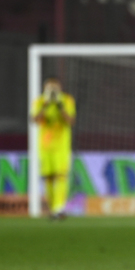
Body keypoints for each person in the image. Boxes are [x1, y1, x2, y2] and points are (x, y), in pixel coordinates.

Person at [31, 77, 76, 220]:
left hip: (62, 146)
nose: (52, 90)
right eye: (49, 87)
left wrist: (59, 106)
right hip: (45, 146)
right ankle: (53, 209)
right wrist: (45, 105)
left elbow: (70, 121)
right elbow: (36, 120)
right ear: (45, 88)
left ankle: (59, 208)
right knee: (48, 178)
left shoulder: (67, 100)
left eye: (54, 87)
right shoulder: (39, 101)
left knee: (61, 176)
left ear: (60, 87)